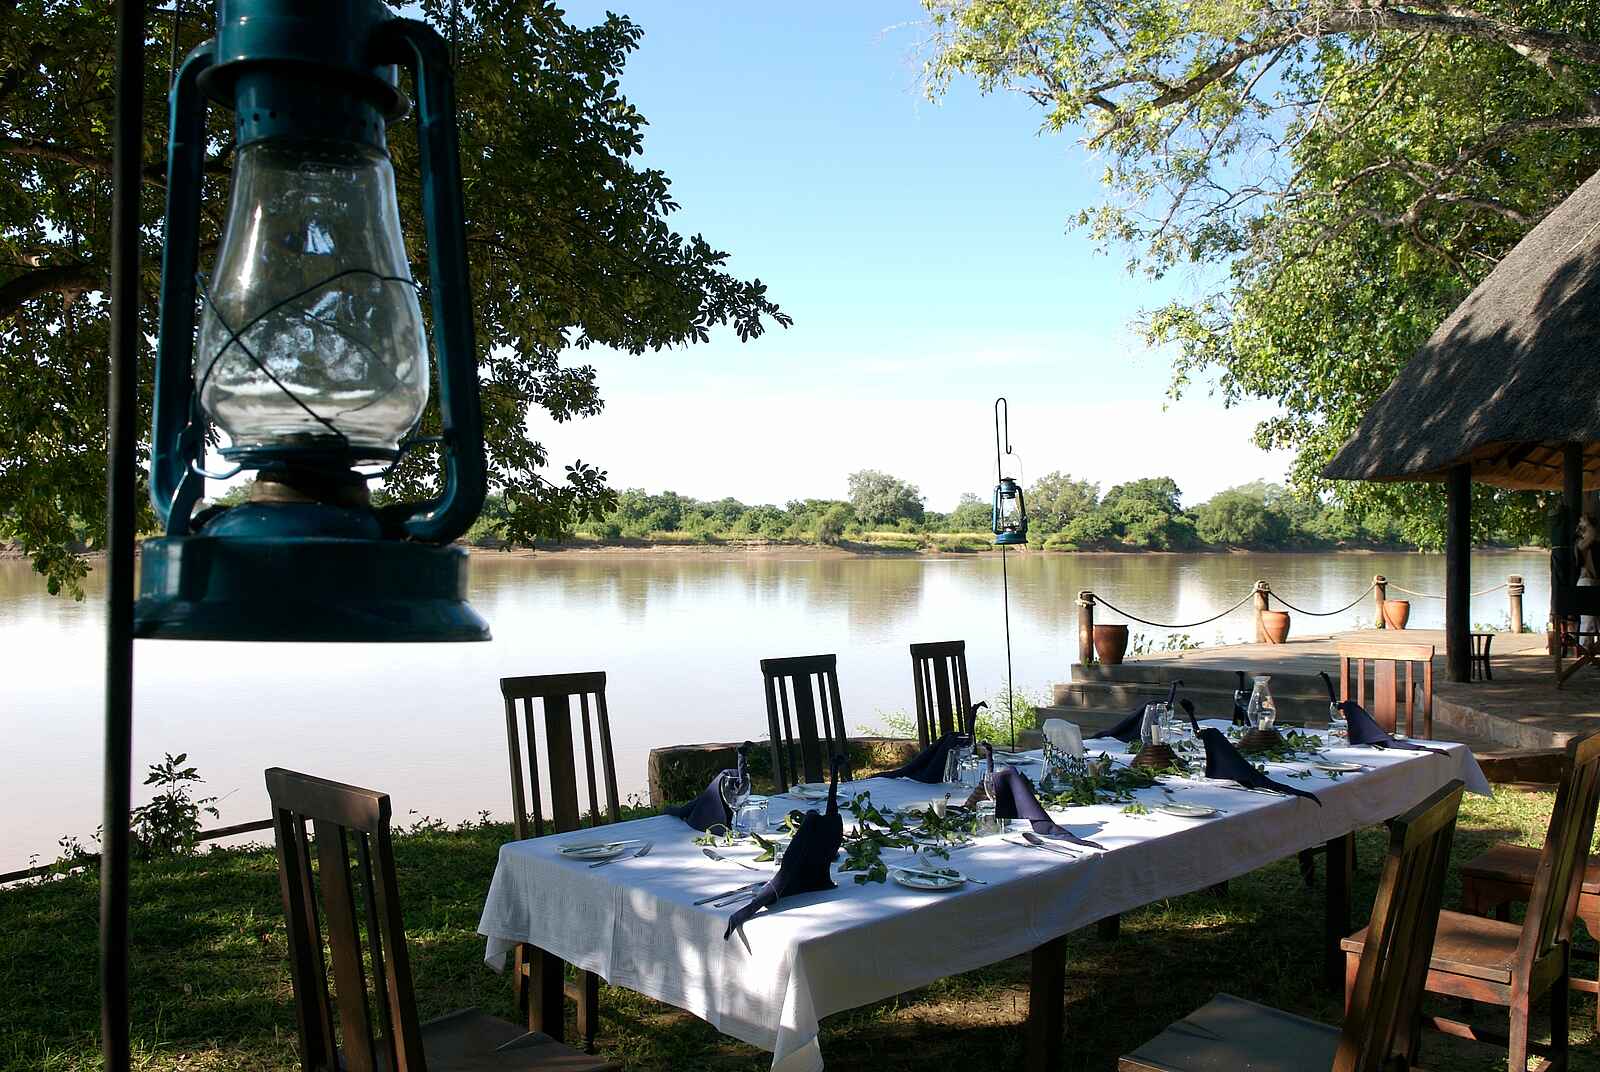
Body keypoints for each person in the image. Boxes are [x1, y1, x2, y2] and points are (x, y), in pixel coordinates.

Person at [1577, 512, 1599, 646]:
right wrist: (1586, 521)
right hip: (1587, 582)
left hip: (1593, 582)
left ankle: (1590, 651)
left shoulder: (1593, 543)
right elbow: (1592, 534)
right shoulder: (1580, 544)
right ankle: (1584, 650)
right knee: (1588, 621)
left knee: (1592, 621)